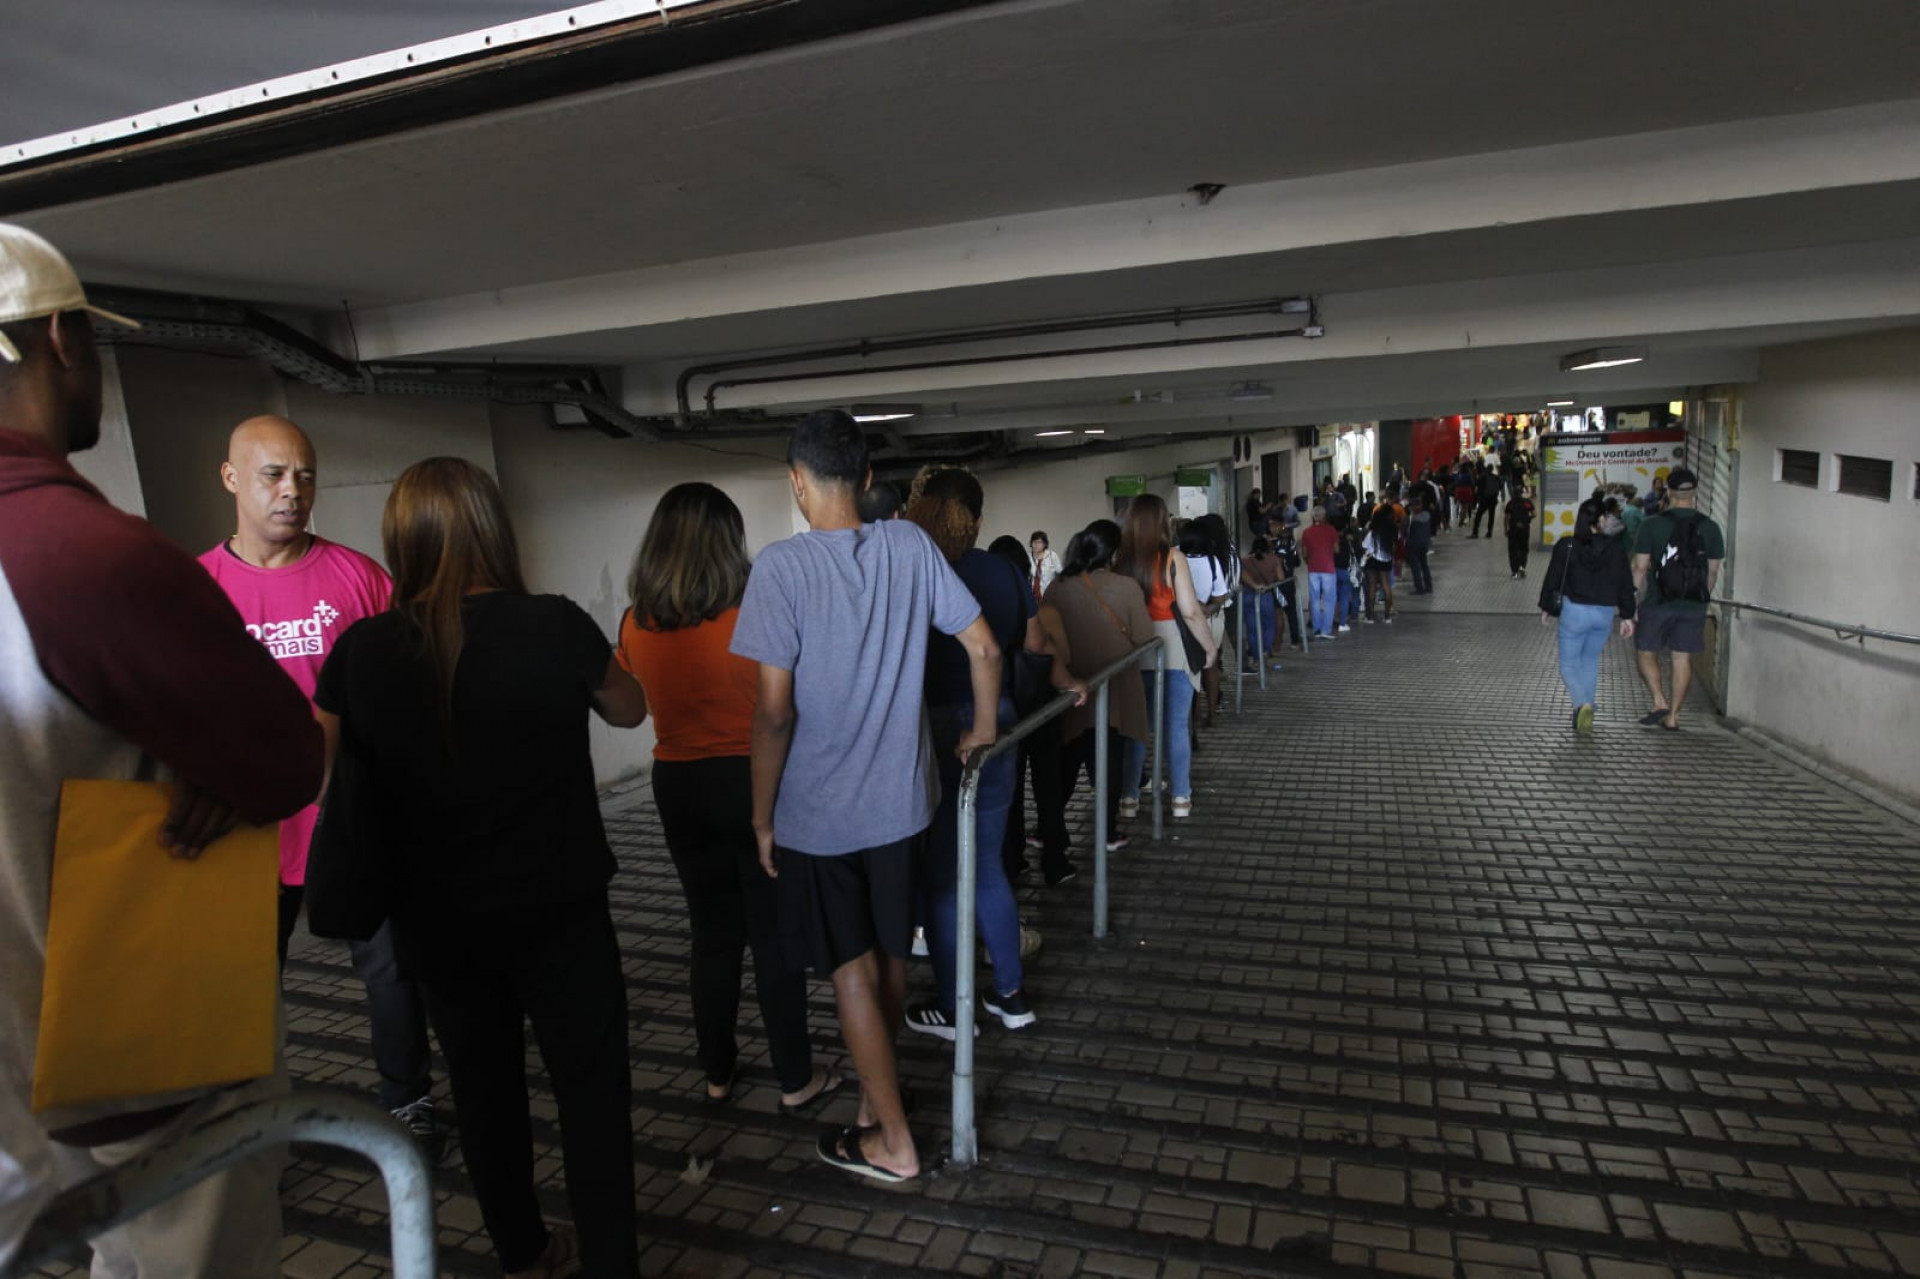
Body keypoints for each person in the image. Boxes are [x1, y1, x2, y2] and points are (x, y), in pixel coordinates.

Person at [0, 223, 325, 1276]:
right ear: (60, 340)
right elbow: (284, 757)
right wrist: (220, 765)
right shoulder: (87, 555)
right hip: (136, 1049)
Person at [315, 457, 647, 1278]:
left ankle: (523, 1251)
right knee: (591, 1090)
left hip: (437, 918)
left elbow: (316, 769)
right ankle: (611, 1263)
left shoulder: (360, 651)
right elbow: (630, 706)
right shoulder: (555, 623)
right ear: (493, 530)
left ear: (403, 539)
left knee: (483, 1087)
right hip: (561, 908)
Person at [732, 410, 1000, 1185]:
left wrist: (761, 815)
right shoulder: (910, 545)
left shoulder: (781, 569)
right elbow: (983, 645)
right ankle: (869, 1106)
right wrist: (983, 727)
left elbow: (773, 713)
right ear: (869, 477)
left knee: (850, 970)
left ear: (797, 481)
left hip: (820, 813)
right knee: (888, 956)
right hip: (902, 804)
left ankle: (895, 1141)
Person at [197, 414, 441, 1155]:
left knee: (392, 975)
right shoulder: (197, 589)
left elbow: (410, 692)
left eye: (305, 476)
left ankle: (408, 1105)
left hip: (352, 821)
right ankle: (254, 1125)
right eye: (273, 474)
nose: (292, 491)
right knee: (246, 993)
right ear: (231, 478)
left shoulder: (361, 580)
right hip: (245, 832)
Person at [617, 482, 837, 1116]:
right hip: (752, 780)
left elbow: (637, 702)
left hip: (677, 784)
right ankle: (795, 1078)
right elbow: (785, 707)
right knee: (771, 935)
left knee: (711, 936)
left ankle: (716, 1073)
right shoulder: (756, 613)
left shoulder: (636, 620)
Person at [903, 469, 1078, 1042]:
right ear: (978, 520)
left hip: (937, 727)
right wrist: (1067, 678)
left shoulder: (915, 566)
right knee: (985, 865)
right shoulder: (1003, 569)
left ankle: (954, 1009)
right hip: (999, 722)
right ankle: (1010, 994)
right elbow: (1034, 644)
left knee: (943, 876)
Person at [1041, 521, 1151, 860]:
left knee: (1068, 758)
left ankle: (1047, 828)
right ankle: (1107, 832)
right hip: (1114, 689)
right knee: (1109, 760)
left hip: (1070, 690)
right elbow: (1145, 637)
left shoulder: (1057, 587)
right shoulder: (1126, 587)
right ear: (1114, 553)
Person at [1112, 495, 1217, 821]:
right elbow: (1190, 611)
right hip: (1171, 647)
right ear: (1161, 522)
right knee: (1175, 726)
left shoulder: (1120, 560)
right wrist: (1210, 648)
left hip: (1134, 648)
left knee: (1136, 729)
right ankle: (1180, 798)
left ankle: (1128, 797)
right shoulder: (1173, 558)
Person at [1630, 466, 1725, 732]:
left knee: (1646, 651)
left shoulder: (1652, 525)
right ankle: (1672, 716)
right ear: (1694, 493)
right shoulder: (1711, 528)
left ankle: (1658, 699)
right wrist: (1701, 597)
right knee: (1682, 659)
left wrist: (1630, 601)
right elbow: (1713, 570)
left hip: (1657, 602)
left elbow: (1640, 567)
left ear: (1668, 492)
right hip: (1693, 604)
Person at [1540, 497, 1638, 735]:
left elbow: (1553, 577)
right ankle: (1586, 712)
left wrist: (1547, 607)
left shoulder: (1567, 545)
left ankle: (1582, 704)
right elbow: (1625, 583)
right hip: (1603, 614)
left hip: (1574, 613)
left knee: (1568, 665)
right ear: (1602, 519)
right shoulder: (1616, 548)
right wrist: (1627, 615)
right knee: (1589, 661)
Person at [1237, 536, 1283, 664]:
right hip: (1266, 595)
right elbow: (1281, 577)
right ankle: (1265, 651)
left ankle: (1256, 657)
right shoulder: (1274, 559)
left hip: (1248, 595)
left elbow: (1239, 577)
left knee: (1252, 629)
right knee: (1269, 626)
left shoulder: (1244, 560)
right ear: (1267, 547)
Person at [1298, 506, 1340, 638]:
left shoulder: (1306, 532)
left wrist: (1309, 562)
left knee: (1315, 599)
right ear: (1324, 516)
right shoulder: (1331, 530)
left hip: (1313, 569)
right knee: (1329, 599)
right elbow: (1337, 550)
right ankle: (1326, 629)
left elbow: (1304, 553)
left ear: (1313, 517)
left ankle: (1316, 628)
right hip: (1328, 568)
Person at [1362, 502, 1398, 624]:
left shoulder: (1373, 531)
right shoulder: (1393, 530)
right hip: (1386, 560)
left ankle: (1370, 617)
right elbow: (1394, 546)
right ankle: (1387, 616)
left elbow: (1364, 546)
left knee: (1372, 586)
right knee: (1386, 586)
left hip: (1372, 560)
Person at [1504, 484, 1536, 578]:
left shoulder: (1510, 503)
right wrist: (1527, 519)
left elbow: (1506, 518)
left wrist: (1506, 529)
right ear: (1522, 492)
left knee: (1513, 549)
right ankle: (1522, 566)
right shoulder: (1527, 502)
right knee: (1524, 548)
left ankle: (1514, 570)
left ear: (1513, 493)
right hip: (1524, 528)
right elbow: (1534, 514)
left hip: (1513, 529)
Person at [1405, 495, 1434, 594]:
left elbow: (1405, 530)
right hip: (1424, 544)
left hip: (1413, 544)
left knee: (1415, 567)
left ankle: (1419, 588)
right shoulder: (1427, 515)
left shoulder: (1412, 518)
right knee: (1424, 565)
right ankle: (1429, 586)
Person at [1028, 530, 1062, 601]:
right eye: (1034, 542)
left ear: (1044, 544)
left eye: (1039, 542)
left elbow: (1061, 574)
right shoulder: (1028, 557)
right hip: (1031, 597)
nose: (1036, 545)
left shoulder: (1052, 556)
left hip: (1049, 595)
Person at [1471, 464, 1502, 537]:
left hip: (1484, 499)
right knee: (1491, 516)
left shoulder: (1482, 477)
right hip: (1493, 499)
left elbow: (1477, 487)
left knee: (1478, 515)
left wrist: (1477, 499)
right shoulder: (1496, 477)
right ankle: (1489, 532)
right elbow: (1501, 487)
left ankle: (1475, 532)